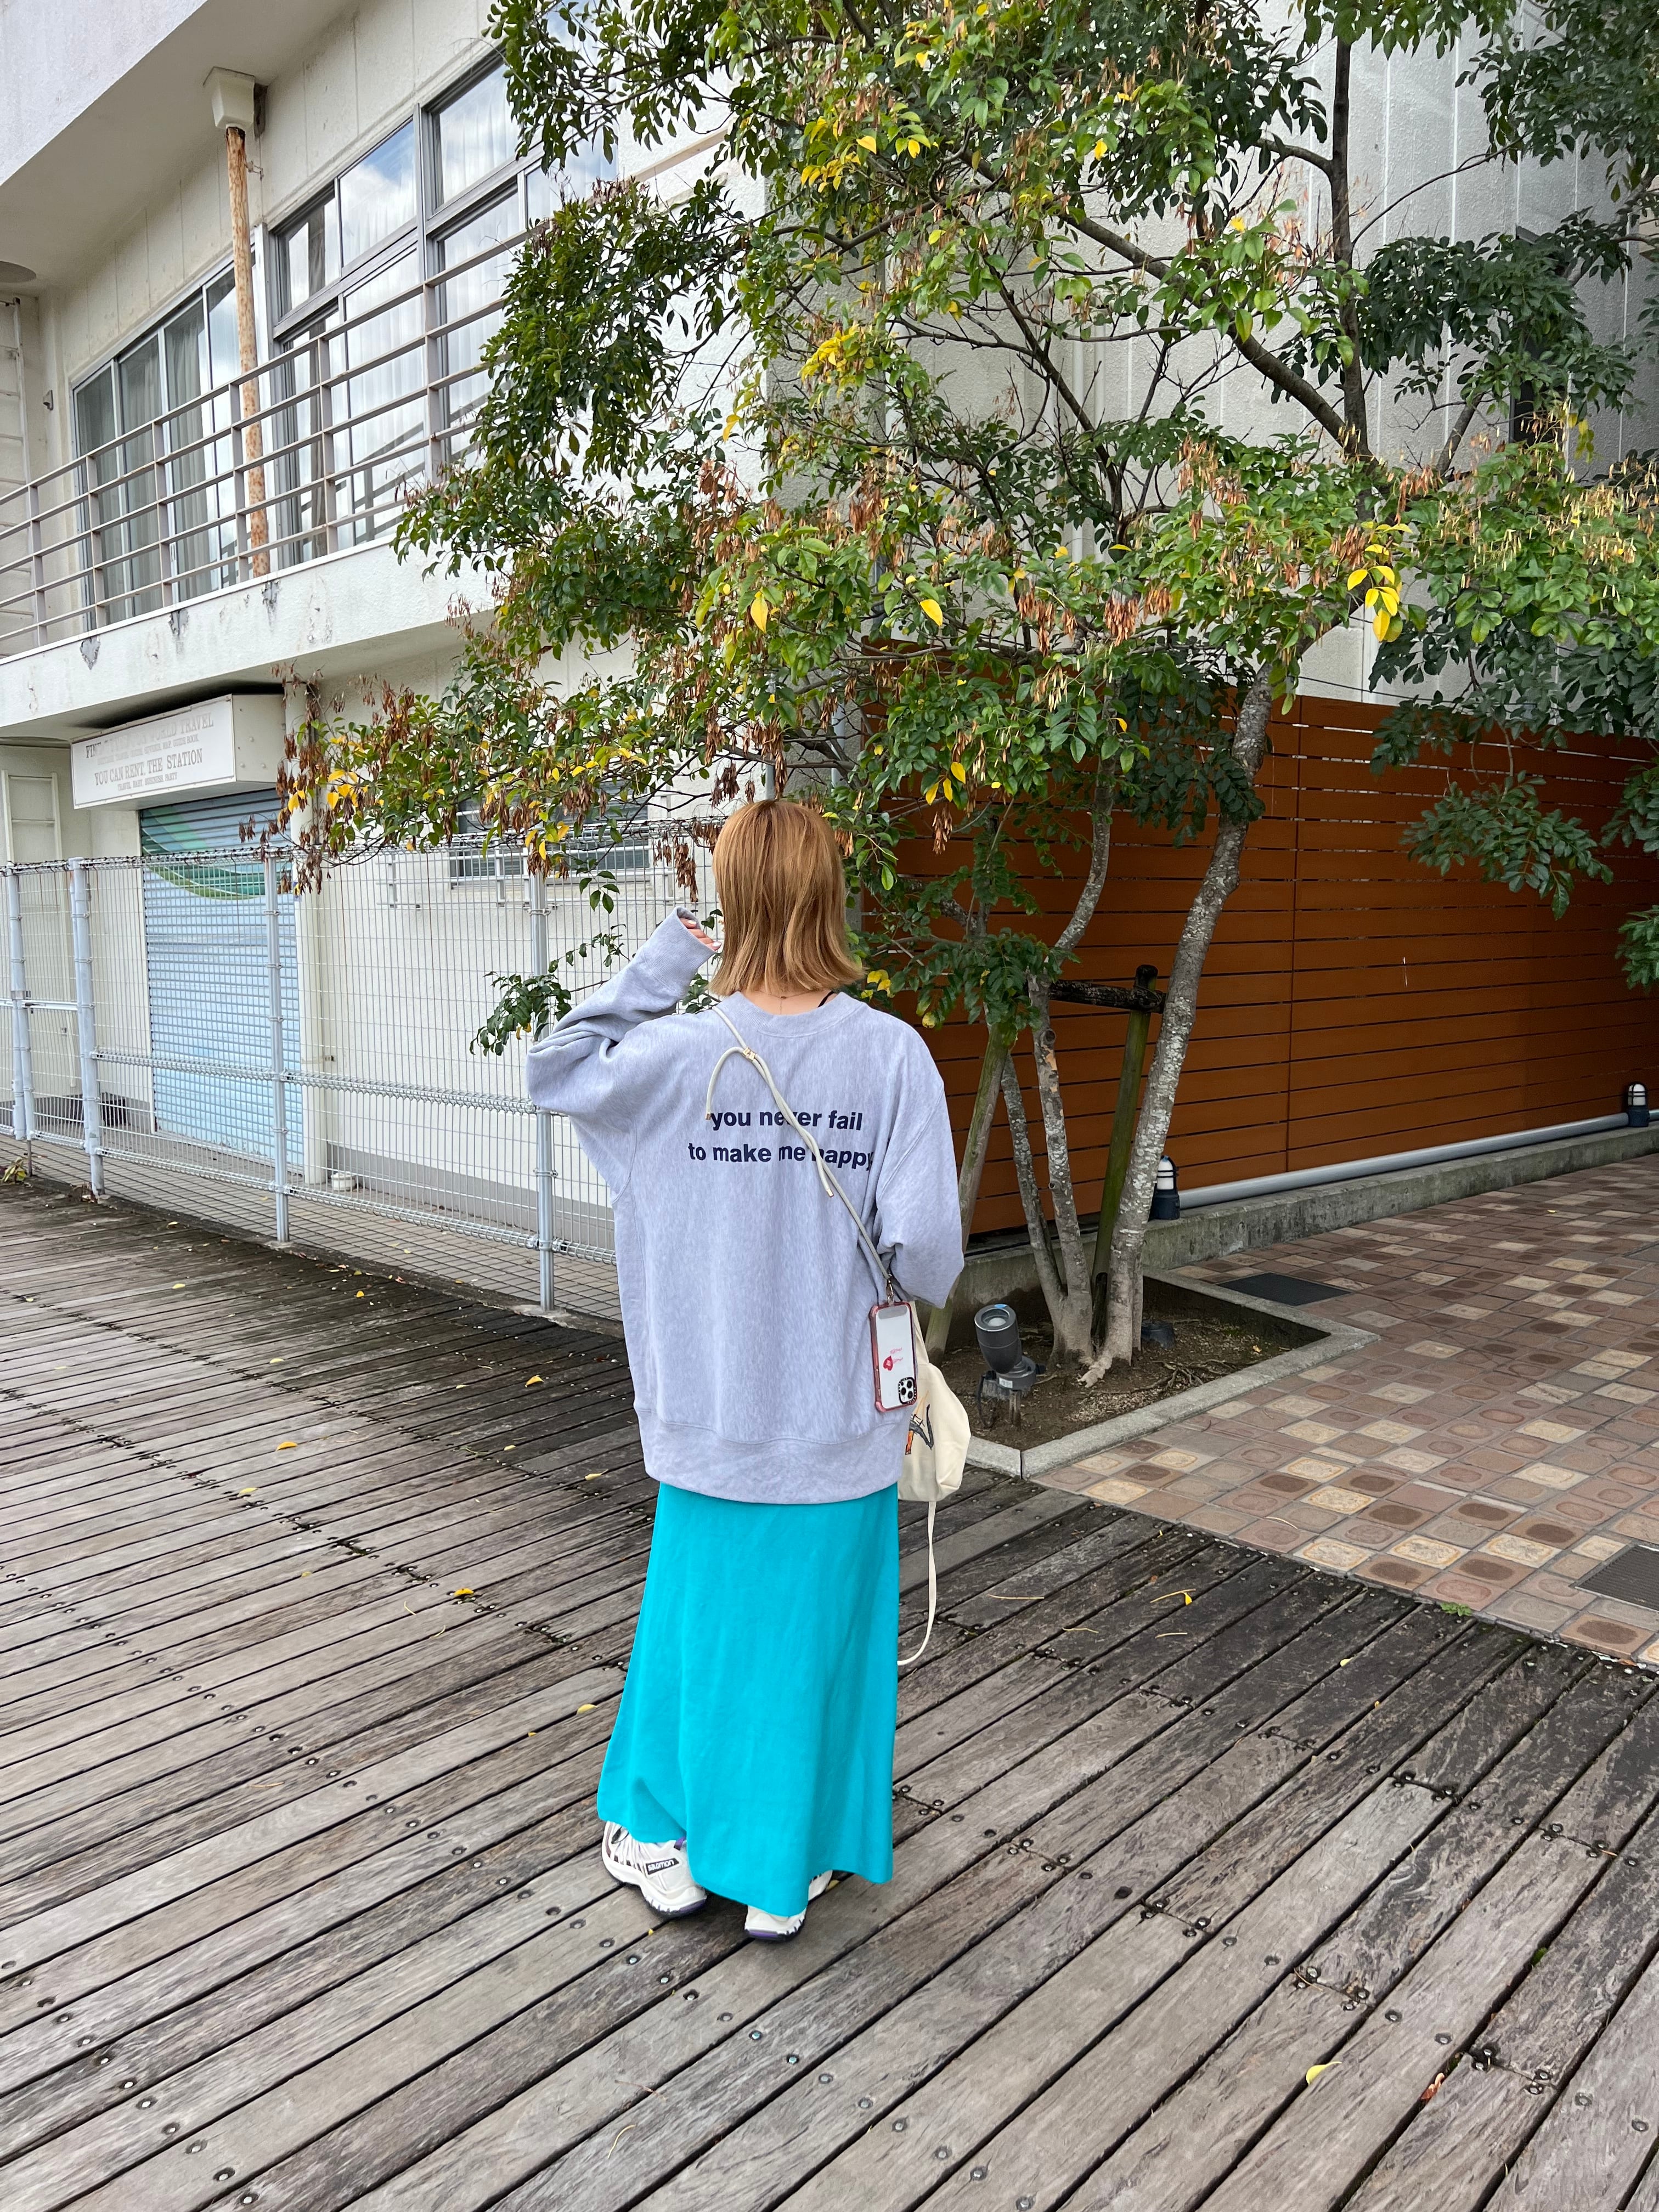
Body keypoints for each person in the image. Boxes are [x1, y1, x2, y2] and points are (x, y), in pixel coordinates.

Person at [526, 798, 961, 1938]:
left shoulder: (670, 1057)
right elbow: (928, 1251)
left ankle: (663, 1837)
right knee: (818, 1636)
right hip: (838, 1413)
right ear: (831, 896)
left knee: (697, 1629)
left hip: (708, 1410)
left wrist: (669, 961)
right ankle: (783, 1867)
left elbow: (553, 1065)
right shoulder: (891, 1056)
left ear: (732, 902)